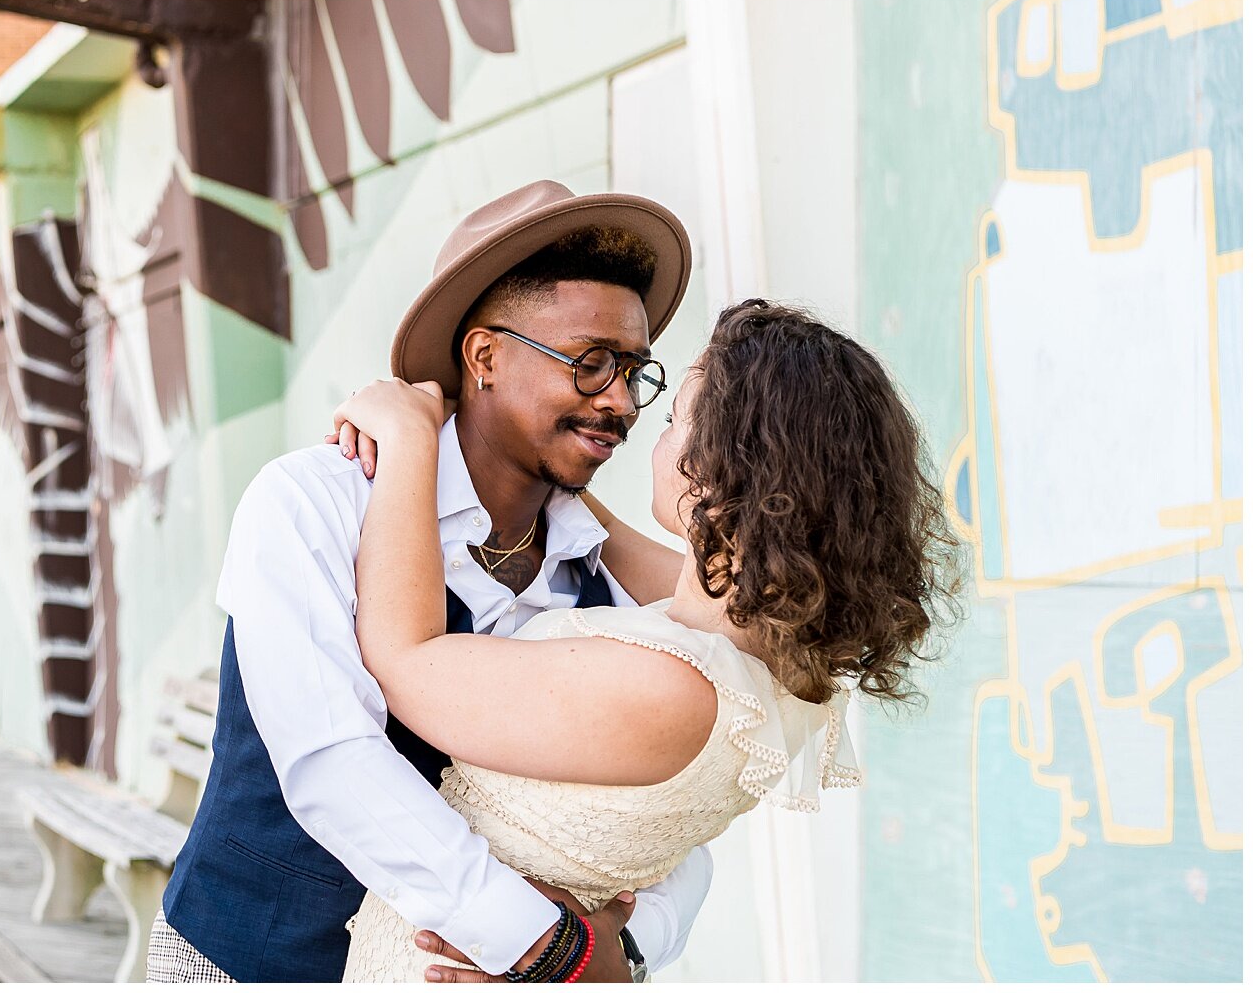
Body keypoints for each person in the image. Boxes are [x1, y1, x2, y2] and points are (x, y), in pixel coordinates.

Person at [149, 180, 714, 983]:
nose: (619, 402)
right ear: (485, 356)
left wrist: (624, 948)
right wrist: (539, 945)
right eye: (590, 365)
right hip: (248, 963)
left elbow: (679, 810)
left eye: (633, 371)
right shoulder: (315, 500)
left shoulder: (610, 583)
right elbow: (331, 762)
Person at [331, 297, 960, 982]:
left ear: (722, 469)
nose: (634, 418)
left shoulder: (672, 688)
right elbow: (620, 542)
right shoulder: (773, 645)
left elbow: (406, 660)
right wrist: (519, 440)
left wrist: (411, 442)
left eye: (672, 420)